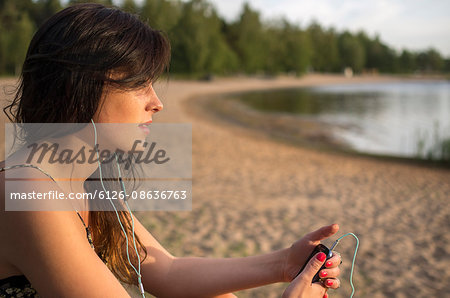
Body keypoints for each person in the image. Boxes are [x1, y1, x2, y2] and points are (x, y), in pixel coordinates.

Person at [0, 3, 341, 297]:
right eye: (138, 84)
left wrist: (284, 263)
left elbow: (167, 271)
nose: (157, 103)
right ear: (80, 85)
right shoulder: (28, 191)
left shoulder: (88, 182)